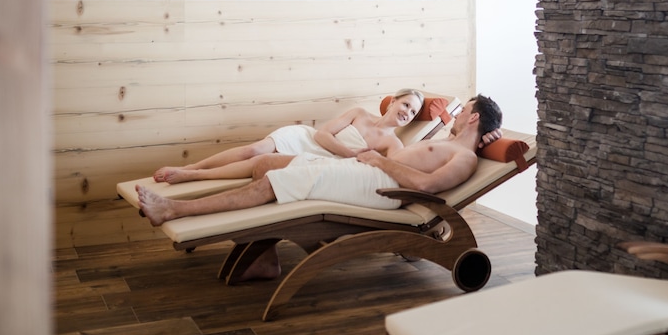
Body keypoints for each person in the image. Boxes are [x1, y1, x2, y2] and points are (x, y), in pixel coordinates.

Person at [136, 94, 503, 228]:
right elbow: (449, 127)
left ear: (473, 117)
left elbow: (425, 185)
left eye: (464, 112)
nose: (457, 116)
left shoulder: (464, 159)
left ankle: (173, 210)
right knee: (265, 165)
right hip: (363, 171)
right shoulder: (451, 142)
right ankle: (263, 256)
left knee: (270, 184)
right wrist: (487, 137)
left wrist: (380, 163)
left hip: (379, 187)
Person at [152, 88, 427, 184]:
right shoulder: (359, 113)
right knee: (254, 149)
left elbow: (392, 168)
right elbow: (321, 134)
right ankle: (192, 166)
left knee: (256, 164)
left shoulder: (393, 143)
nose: (407, 113)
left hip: (322, 161)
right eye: (405, 105)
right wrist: (351, 153)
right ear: (392, 101)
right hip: (306, 138)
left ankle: (194, 176)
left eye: (413, 112)